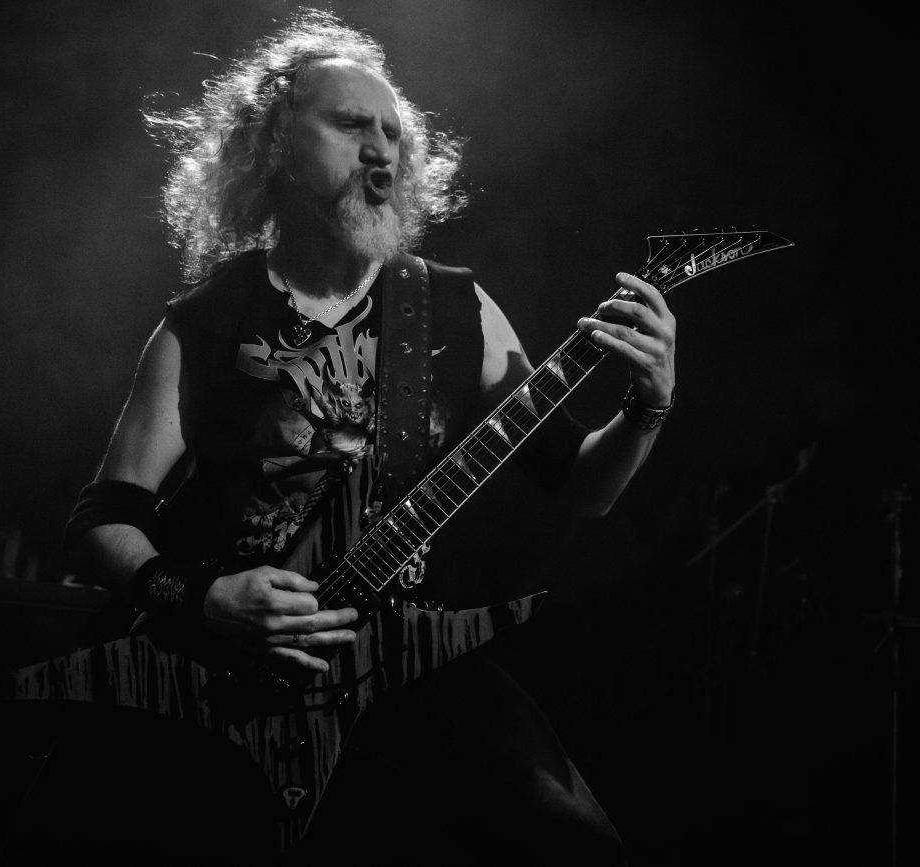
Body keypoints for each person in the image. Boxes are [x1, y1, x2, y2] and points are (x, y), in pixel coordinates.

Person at [61, 10, 675, 865]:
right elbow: (102, 521)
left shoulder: (456, 309)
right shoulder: (207, 321)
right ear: (277, 146)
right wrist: (205, 598)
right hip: (228, 668)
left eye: (394, 134)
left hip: (405, 654)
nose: (382, 151)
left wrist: (646, 408)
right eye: (353, 126)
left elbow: (580, 485)